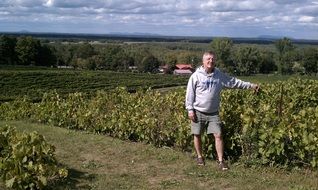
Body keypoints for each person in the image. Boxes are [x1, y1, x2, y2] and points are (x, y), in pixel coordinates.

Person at [185, 51, 259, 170]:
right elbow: (190, 93)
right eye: (208, 59)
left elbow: (233, 82)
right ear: (203, 62)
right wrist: (190, 109)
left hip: (213, 112)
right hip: (198, 111)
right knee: (197, 134)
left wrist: (250, 85)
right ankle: (199, 157)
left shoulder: (219, 75)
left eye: (212, 59)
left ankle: (220, 161)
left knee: (218, 135)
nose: (211, 61)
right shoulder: (196, 76)